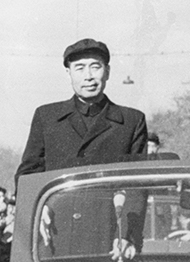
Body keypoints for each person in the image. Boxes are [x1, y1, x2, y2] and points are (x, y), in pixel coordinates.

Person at [15, 38, 148, 179]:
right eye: (80, 68)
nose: (88, 76)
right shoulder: (47, 117)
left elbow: (138, 181)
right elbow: (27, 176)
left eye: (95, 67)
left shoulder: (132, 121)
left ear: (107, 72)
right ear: (69, 73)